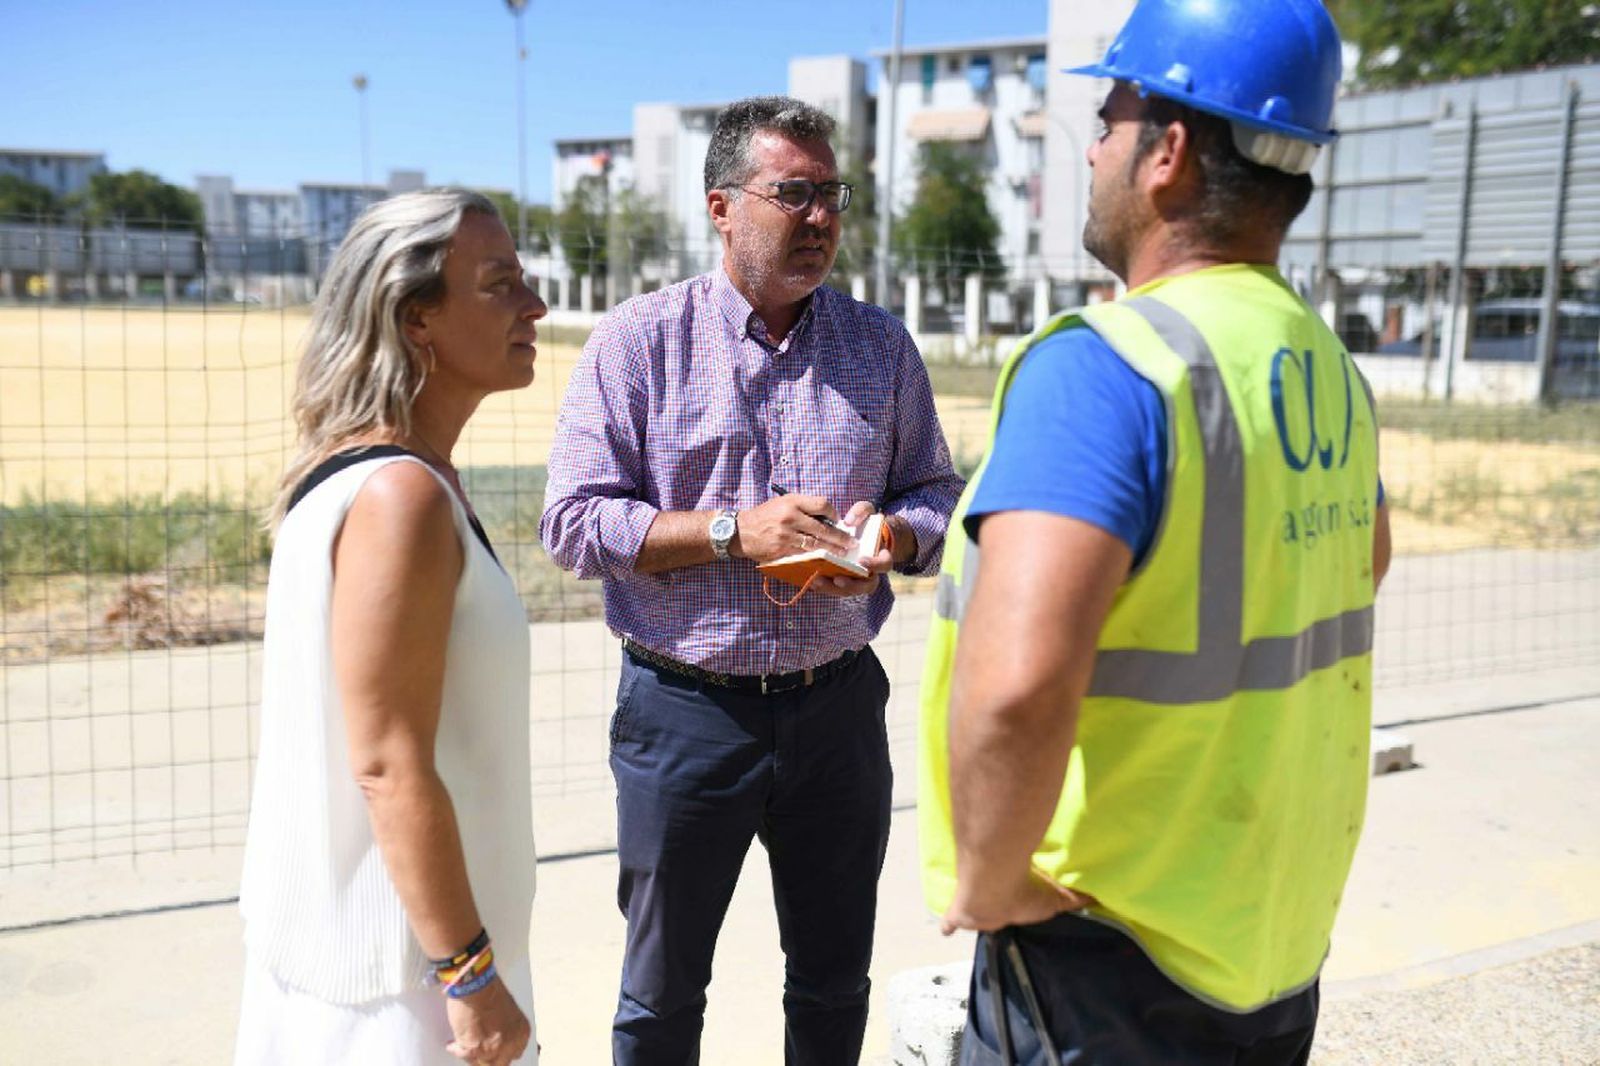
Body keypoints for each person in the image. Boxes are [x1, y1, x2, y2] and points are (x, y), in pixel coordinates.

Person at [919, 1, 1393, 1062]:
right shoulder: (1324, 366)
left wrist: (989, 885)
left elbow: (1013, 688)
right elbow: (1363, 565)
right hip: (1267, 935)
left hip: (1104, 950)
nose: (1092, 145)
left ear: (1167, 152)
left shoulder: (1106, 367)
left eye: (1108, 115)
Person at [540, 96, 964, 1065]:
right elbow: (571, 522)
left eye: (833, 196)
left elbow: (937, 493)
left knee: (831, 982)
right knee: (659, 996)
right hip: (684, 715)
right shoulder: (640, 343)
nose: (819, 218)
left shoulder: (879, 348)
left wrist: (894, 534)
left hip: (835, 714)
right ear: (721, 206)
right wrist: (736, 531)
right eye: (794, 194)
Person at [235, 189, 545, 1066]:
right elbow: (387, 763)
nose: (535, 306)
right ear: (418, 319)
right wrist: (473, 978)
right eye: (500, 284)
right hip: (405, 992)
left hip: (386, 964)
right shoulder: (398, 498)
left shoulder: (374, 478)